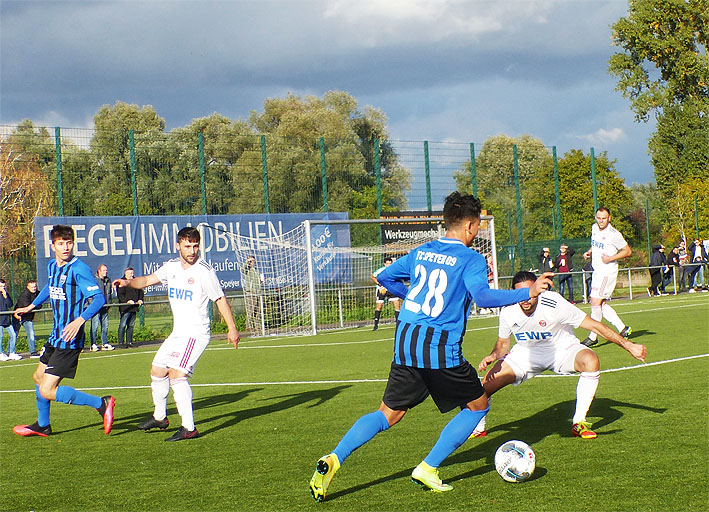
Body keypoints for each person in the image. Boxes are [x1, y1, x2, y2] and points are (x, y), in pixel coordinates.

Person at [308, 192, 552, 501]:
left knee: (389, 414)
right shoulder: (471, 258)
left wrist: (410, 296)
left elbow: (382, 277)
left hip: (405, 341)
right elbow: (483, 298)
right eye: (477, 227)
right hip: (439, 346)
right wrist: (526, 292)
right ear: (472, 225)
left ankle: (334, 458)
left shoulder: (422, 251)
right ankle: (428, 467)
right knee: (478, 405)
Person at [471, 271, 646, 440]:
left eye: (530, 293)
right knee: (484, 386)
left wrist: (628, 345)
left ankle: (579, 422)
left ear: (538, 289)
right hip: (526, 354)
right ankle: (478, 428)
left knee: (590, 360)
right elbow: (503, 343)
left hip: (562, 350)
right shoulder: (508, 310)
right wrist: (493, 355)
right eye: (520, 293)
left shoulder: (554, 303)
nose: (525, 298)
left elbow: (594, 326)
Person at [113, 226, 240, 441]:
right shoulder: (171, 267)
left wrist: (232, 328)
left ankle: (189, 428)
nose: (192, 250)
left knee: (176, 375)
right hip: (178, 333)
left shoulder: (204, 271)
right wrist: (127, 282)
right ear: (178, 245)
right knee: (157, 370)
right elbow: (145, 281)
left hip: (195, 334)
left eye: (196, 246)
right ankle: (160, 417)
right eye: (188, 246)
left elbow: (220, 300)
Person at [12, 225, 115, 437]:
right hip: (55, 336)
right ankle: (43, 425)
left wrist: (79, 320)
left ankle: (102, 404)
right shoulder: (52, 266)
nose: (66, 247)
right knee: (38, 378)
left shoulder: (79, 269)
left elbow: (99, 299)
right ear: (53, 245)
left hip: (70, 338)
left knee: (47, 390)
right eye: (61, 243)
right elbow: (50, 288)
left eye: (69, 243)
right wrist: (31, 307)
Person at [581, 207, 633, 347]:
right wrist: (589, 252)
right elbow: (596, 245)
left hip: (606, 272)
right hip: (597, 271)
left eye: (604, 218)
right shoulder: (594, 228)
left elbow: (627, 251)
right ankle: (623, 328)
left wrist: (611, 258)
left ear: (609, 218)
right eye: (598, 218)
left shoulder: (613, 234)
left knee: (595, 303)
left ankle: (593, 336)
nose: (601, 221)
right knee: (599, 304)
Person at [370, 257, 401, 331]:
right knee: (379, 306)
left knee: (397, 304)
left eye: (390, 263)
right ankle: (376, 325)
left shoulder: (394, 270)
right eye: (387, 263)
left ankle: (398, 324)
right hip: (382, 289)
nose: (389, 265)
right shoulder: (381, 270)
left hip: (391, 288)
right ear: (384, 264)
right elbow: (373, 276)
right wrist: (379, 284)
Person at [116, 267, 144, 348]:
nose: (132, 275)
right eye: (130, 273)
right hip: (125, 308)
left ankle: (129, 341)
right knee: (123, 325)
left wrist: (140, 299)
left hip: (134, 307)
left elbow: (140, 291)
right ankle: (121, 343)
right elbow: (120, 295)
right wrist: (127, 301)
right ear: (125, 274)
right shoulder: (122, 282)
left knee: (131, 325)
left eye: (132, 273)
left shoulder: (135, 281)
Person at [89, 264, 114, 352]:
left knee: (105, 326)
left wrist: (109, 304)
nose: (105, 272)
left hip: (105, 306)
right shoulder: (94, 280)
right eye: (103, 270)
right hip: (96, 306)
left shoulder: (108, 280)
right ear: (99, 271)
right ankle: (93, 344)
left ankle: (105, 343)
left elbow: (109, 293)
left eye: (106, 270)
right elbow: (90, 294)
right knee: (95, 326)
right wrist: (93, 304)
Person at [14, 280, 40, 357]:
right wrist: (35, 305)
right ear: (27, 287)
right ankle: (10, 352)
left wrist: (35, 306)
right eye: (32, 287)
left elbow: (39, 304)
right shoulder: (24, 295)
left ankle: (33, 352)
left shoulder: (38, 293)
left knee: (31, 333)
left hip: (28, 318)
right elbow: (27, 306)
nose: (34, 288)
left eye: (35, 286)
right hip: (18, 316)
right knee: (14, 334)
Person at [0, 279, 20, 361]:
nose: (2, 288)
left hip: (7, 319)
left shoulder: (5, 294)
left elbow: (10, 304)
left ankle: (12, 352)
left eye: (4, 286)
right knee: (0, 337)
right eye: (1, 286)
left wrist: (5, 295)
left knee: (13, 335)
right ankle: (1, 353)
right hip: (0, 320)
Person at [242, 255, 262, 333]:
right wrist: (247, 262)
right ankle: (249, 325)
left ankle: (258, 326)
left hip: (258, 291)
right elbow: (243, 269)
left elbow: (257, 280)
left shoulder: (256, 270)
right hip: (251, 292)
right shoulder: (247, 269)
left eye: (253, 261)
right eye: (251, 261)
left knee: (258, 310)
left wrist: (260, 281)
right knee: (251, 310)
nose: (252, 262)